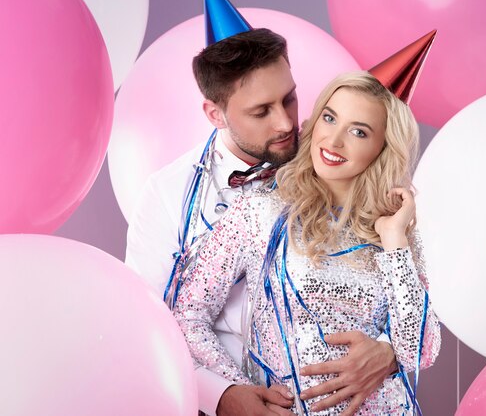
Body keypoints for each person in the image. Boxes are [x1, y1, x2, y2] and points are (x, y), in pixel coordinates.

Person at [126, 26, 399, 416]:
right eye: (261, 111)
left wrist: (388, 351)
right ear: (214, 114)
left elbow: (403, 291)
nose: (287, 124)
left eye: (289, 99)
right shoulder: (168, 193)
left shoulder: (342, 159)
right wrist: (222, 395)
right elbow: (148, 321)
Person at [173, 71, 441, 415]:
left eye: (359, 131)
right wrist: (237, 390)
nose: (335, 140)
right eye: (330, 118)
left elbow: (423, 347)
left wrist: (394, 240)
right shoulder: (261, 211)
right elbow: (188, 313)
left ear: (382, 147)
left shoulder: (394, 230)